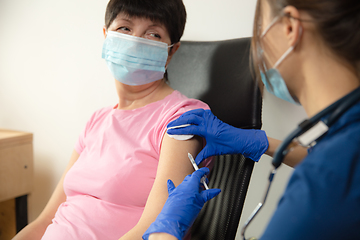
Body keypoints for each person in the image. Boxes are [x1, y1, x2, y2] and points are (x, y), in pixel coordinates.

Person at [142, 0, 360, 239]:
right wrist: (261, 142)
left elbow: (334, 169)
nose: (258, 47)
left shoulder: (325, 180)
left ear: (289, 27)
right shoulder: (346, 141)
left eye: (260, 27)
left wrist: (165, 231)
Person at [13, 0, 213, 239]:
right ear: (106, 35)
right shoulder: (96, 121)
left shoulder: (183, 118)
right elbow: (45, 221)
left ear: (171, 51)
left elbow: (155, 231)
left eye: (153, 34)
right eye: (125, 29)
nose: (136, 41)